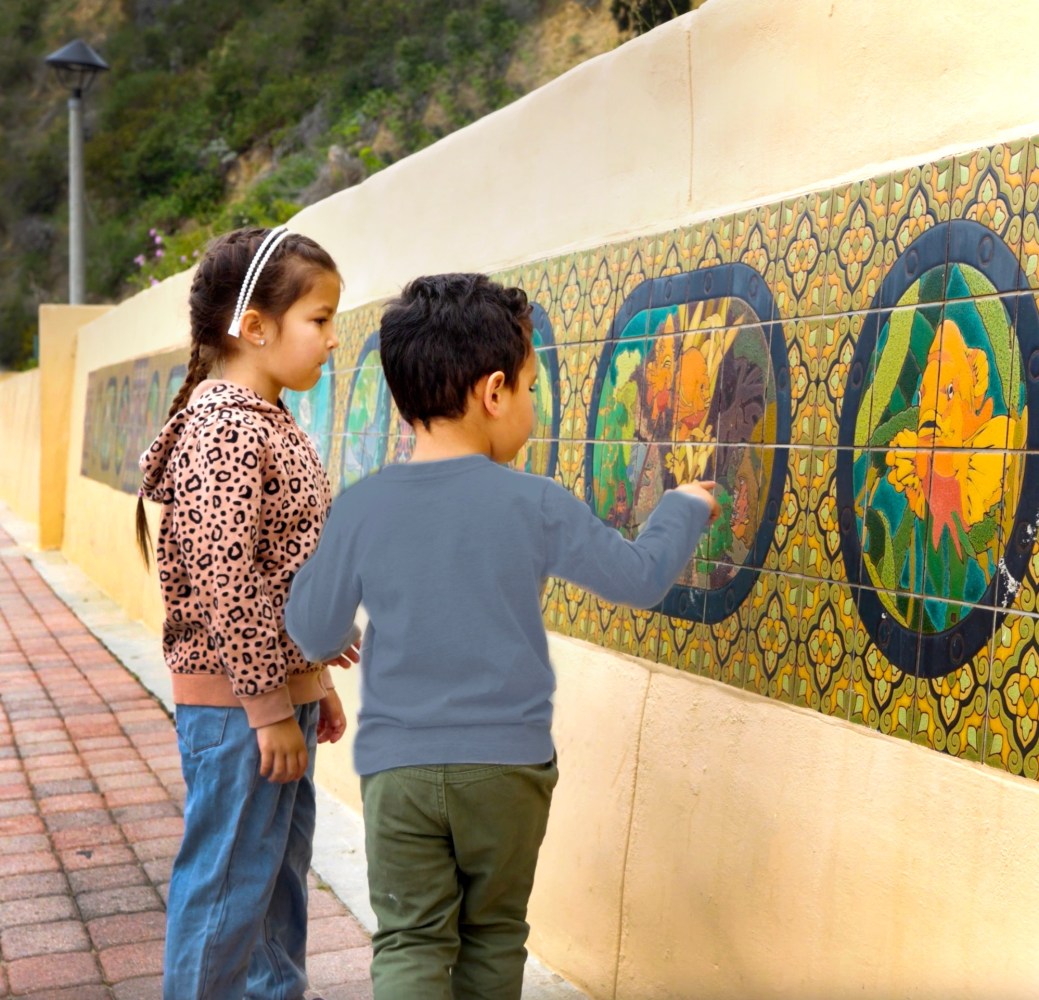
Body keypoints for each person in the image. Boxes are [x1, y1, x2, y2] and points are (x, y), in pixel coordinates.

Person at [284, 272, 720, 1000]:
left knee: (411, 939)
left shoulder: (363, 507)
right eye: (526, 389)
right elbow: (639, 578)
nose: (527, 407)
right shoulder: (534, 503)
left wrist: (335, 632)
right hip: (506, 768)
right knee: (492, 935)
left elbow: (310, 628)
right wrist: (682, 503)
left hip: (400, 770)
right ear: (492, 393)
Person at [136, 225, 358, 1000]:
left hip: (274, 698)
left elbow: (282, 565)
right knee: (228, 890)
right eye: (320, 319)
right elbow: (228, 579)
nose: (333, 339)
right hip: (240, 710)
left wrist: (313, 682)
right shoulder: (226, 427)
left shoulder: (265, 419)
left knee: (271, 890)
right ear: (256, 328)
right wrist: (268, 708)